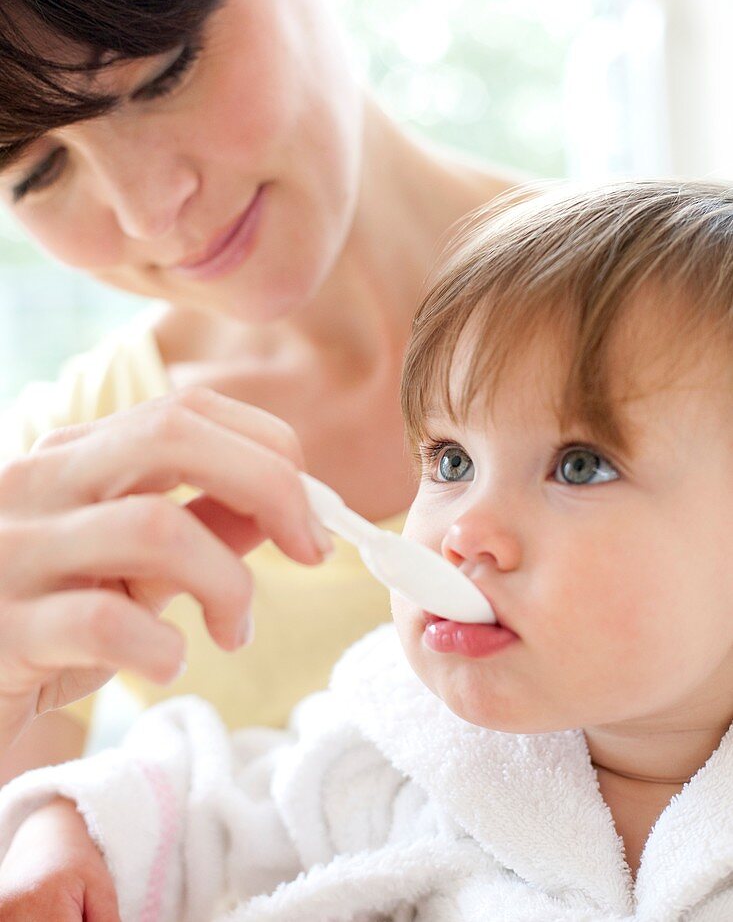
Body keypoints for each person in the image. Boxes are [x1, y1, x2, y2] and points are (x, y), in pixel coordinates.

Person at [2, 178, 733, 921]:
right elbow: (204, 807)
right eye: (451, 461)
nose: (464, 531)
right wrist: (72, 837)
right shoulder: (394, 747)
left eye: (579, 465)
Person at [0, 0, 519, 788]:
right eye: (35, 176)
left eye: (164, 73)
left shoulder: (695, 316)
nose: (151, 213)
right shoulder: (77, 480)